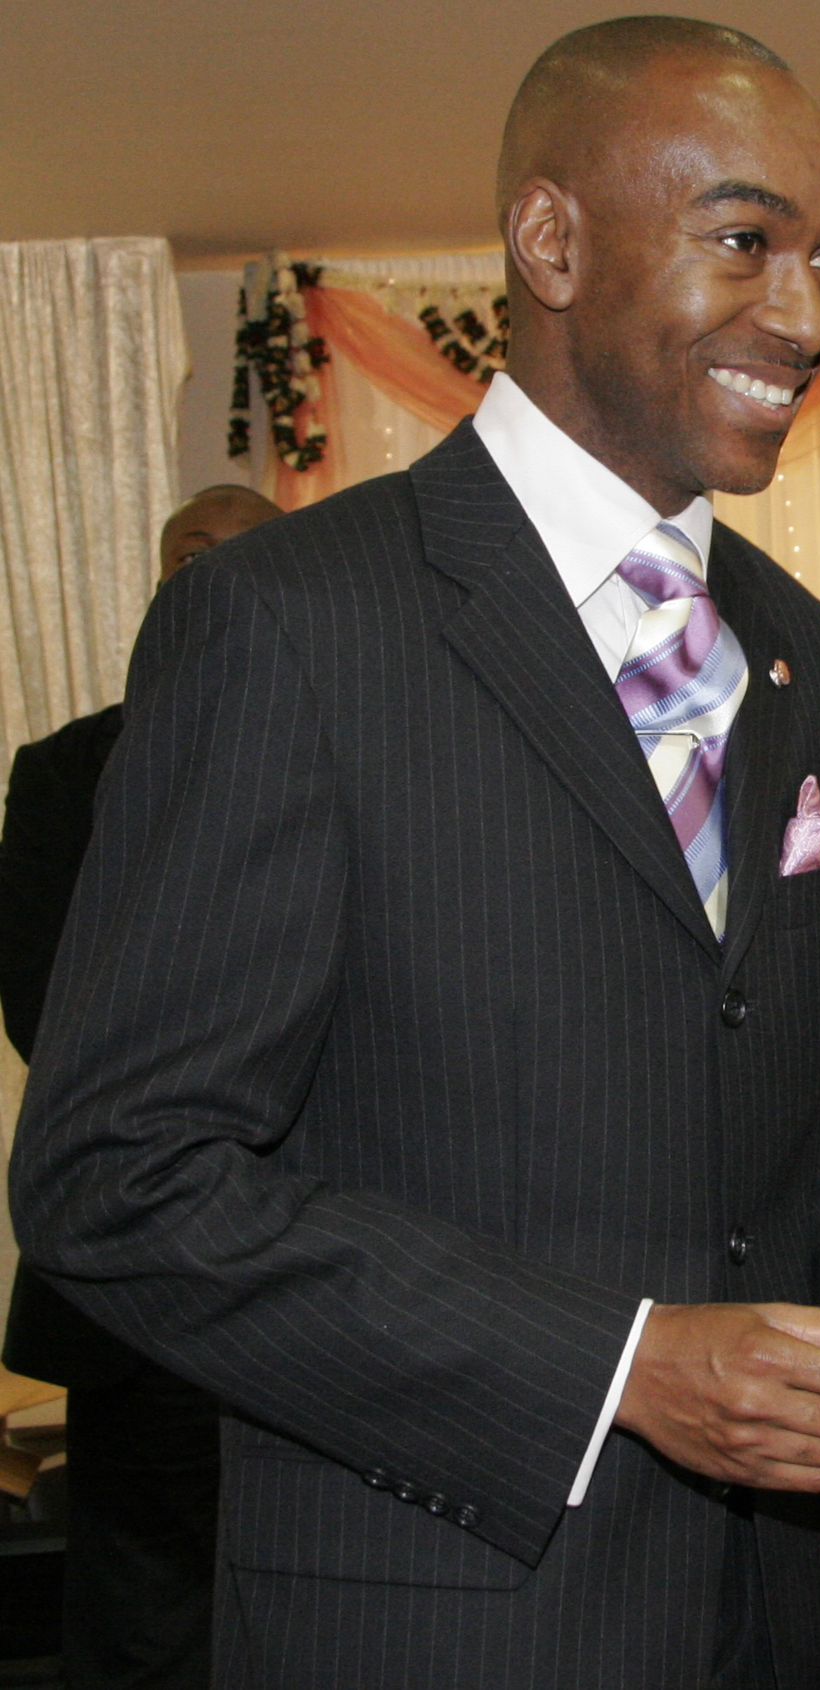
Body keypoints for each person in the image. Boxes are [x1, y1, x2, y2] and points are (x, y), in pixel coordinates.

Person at [9, 20, 820, 1690]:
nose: (812, 314)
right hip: (425, 1617)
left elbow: (799, 1100)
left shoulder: (806, 659)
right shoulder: (289, 625)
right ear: (550, 242)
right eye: (745, 241)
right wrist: (615, 1367)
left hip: (758, 1616)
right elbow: (116, 1181)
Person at [0, 482, 280, 1690]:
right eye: (184, 556)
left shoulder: (363, 742)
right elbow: (43, 1009)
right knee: (144, 1626)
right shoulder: (68, 772)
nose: (202, 575)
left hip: (323, 1265)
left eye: (235, 554)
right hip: (138, 1261)